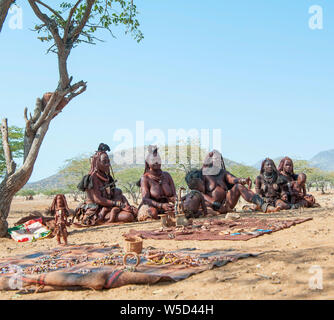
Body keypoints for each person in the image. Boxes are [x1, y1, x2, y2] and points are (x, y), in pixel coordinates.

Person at [76, 143, 137, 225]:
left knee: (133, 211)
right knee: (128, 216)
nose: (108, 164)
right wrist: (116, 203)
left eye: (108, 161)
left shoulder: (106, 176)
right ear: (97, 162)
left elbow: (112, 192)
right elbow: (98, 199)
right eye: (104, 162)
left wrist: (122, 202)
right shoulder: (92, 178)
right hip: (97, 210)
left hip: (108, 206)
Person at [200, 150, 275, 214]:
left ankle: (264, 206)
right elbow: (200, 193)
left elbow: (233, 179)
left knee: (238, 186)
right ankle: (212, 212)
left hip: (226, 205)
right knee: (205, 209)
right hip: (210, 205)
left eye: (218, 159)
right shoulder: (204, 174)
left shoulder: (223, 173)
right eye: (215, 159)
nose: (217, 161)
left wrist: (243, 180)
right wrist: (215, 203)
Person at [137, 145, 176, 221]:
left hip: (167, 207)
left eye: (158, 159)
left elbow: (174, 195)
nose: (156, 162)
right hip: (151, 207)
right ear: (147, 163)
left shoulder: (167, 176)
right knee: (153, 213)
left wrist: (175, 201)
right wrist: (161, 205)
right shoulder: (145, 178)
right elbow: (145, 199)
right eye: (153, 160)